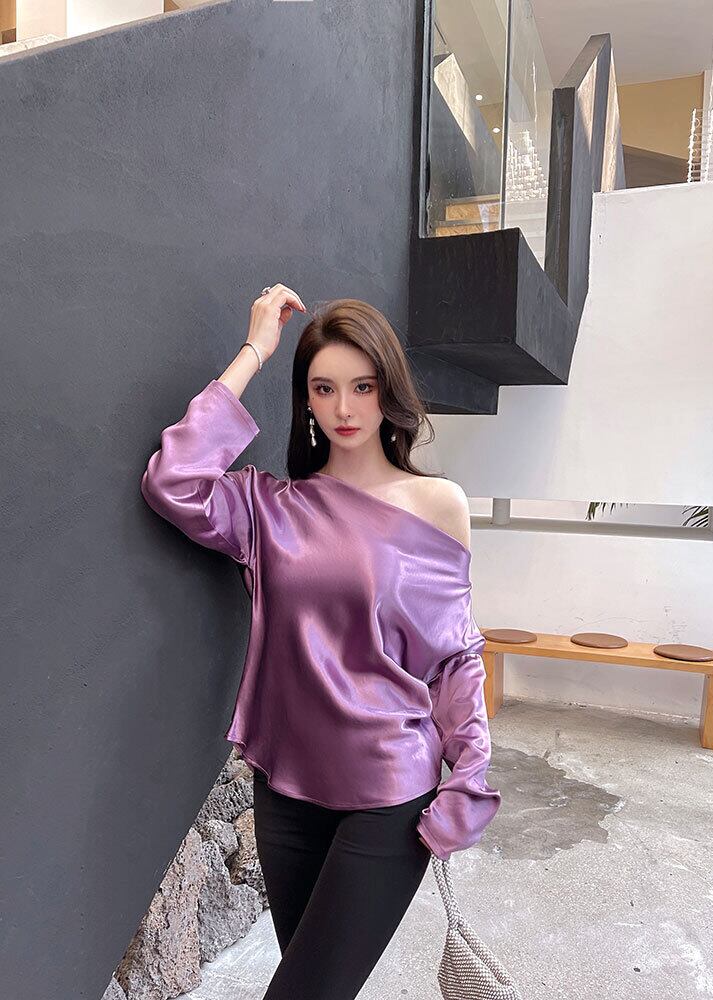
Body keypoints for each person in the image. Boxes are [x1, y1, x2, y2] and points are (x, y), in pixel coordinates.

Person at [140, 283, 502, 999]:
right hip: (287, 792)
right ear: (305, 399)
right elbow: (172, 482)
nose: (344, 408)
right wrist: (256, 350)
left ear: (388, 391)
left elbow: (454, 657)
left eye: (363, 386)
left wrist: (469, 772)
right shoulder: (269, 509)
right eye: (324, 388)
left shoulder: (438, 505)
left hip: (388, 792)